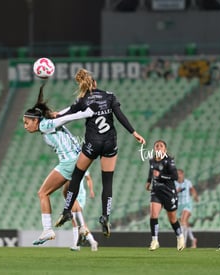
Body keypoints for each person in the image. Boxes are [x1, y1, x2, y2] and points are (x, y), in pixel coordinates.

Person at [54, 68, 146, 238]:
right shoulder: (109, 96)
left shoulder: (83, 99)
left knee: (77, 176)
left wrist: (55, 115)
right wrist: (134, 133)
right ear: (95, 83)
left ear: (83, 84)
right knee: (107, 181)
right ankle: (105, 216)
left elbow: (67, 113)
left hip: (92, 142)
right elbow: (120, 115)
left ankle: (67, 211)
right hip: (110, 142)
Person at [23, 83, 96, 246]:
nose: (25, 126)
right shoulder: (47, 123)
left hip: (69, 161)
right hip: (79, 158)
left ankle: (48, 229)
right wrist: (66, 112)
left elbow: (66, 118)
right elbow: (62, 115)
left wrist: (86, 113)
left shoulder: (44, 125)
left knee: (43, 193)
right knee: (67, 193)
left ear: (35, 120)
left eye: (27, 122)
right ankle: (83, 227)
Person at [145, 140, 185, 251]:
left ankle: (180, 237)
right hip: (156, 191)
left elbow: (175, 176)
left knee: (172, 219)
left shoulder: (169, 161)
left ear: (165, 150)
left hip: (168, 192)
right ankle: (154, 240)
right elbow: (151, 171)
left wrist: (161, 175)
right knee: (153, 214)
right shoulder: (152, 160)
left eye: (161, 146)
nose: (158, 147)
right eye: (156, 146)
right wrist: (149, 181)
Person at [65, 171, 98, 251]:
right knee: (80, 223)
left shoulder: (81, 166)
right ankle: (92, 241)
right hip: (72, 194)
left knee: (75, 220)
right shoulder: (70, 167)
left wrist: (91, 190)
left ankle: (76, 245)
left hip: (78, 196)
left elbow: (88, 179)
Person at [175, 169, 199, 248]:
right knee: (185, 224)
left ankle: (183, 243)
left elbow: (192, 190)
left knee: (183, 221)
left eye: (180, 174)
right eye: (177, 174)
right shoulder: (174, 183)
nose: (178, 175)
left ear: (183, 174)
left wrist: (195, 196)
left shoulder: (187, 182)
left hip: (187, 204)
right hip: (178, 206)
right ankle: (193, 239)